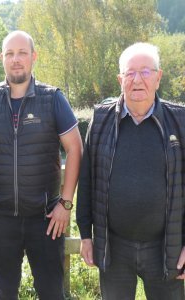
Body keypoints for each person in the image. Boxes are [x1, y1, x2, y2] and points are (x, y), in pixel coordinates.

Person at [0, 30, 83, 299]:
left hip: (45, 218)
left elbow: (75, 148)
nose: (16, 59)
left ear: (33, 57)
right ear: (2, 59)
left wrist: (65, 204)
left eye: (22, 53)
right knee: (5, 293)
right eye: (10, 54)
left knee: (51, 292)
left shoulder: (53, 98)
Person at [76, 42, 185, 299]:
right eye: (130, 72)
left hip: (165, 248)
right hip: (115, 248)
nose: (137, 80)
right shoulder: (101, 119)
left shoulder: (180, 121)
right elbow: (87, 179)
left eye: (146, 72)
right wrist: (85, 235)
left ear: (158, 78)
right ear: (120, 79)